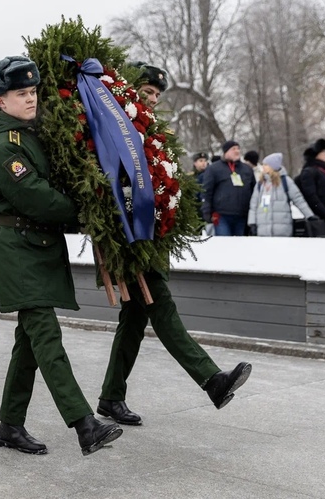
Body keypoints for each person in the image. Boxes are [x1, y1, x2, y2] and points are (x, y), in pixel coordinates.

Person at [96, 63, 252, 428]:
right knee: (161, 306)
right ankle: (212, 380)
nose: (152, 99)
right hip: (128, 239)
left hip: (151, 237)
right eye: (147, 92)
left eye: (156, 94)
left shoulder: (150, 130)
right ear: (130, 90)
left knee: (134, 320)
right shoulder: (116, 127)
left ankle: (111, 397)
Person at [0, 56, 123, 456]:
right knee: (46, 335)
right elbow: (37, 197)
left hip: (36, 244)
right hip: (16, 249)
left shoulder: (29, 135)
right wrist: (86, 211)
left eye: (33, 91)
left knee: (29, 342)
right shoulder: (2, 146)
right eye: (20, 93)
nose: (30, 99)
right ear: (0, 100)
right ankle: (84, 424)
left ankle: (10, 426)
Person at [248, 153, 314, 236]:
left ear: (273, 166)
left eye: (266, 165)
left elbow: (298, 199)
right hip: (263, 230)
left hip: (283, 229)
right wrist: (252, 223)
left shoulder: (286, 181)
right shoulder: (260, 184)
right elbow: (253, 205)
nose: (263, 167)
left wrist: (309, 215)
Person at [202, 140, 256, 236]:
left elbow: (254, 191)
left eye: (238, 148)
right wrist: (207, 213)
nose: (237, 151)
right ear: (226, 152)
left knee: (240, 243)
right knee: (224, 243)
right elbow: (206, 192)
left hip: (242, 215)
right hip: (221, 215)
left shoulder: (247, 169)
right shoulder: (214, 169)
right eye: (233, 149)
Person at [297, 138, 325, 223]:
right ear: (316, 154)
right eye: (323, 152)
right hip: (318, 217)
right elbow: (311, 196)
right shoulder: (309, 172)